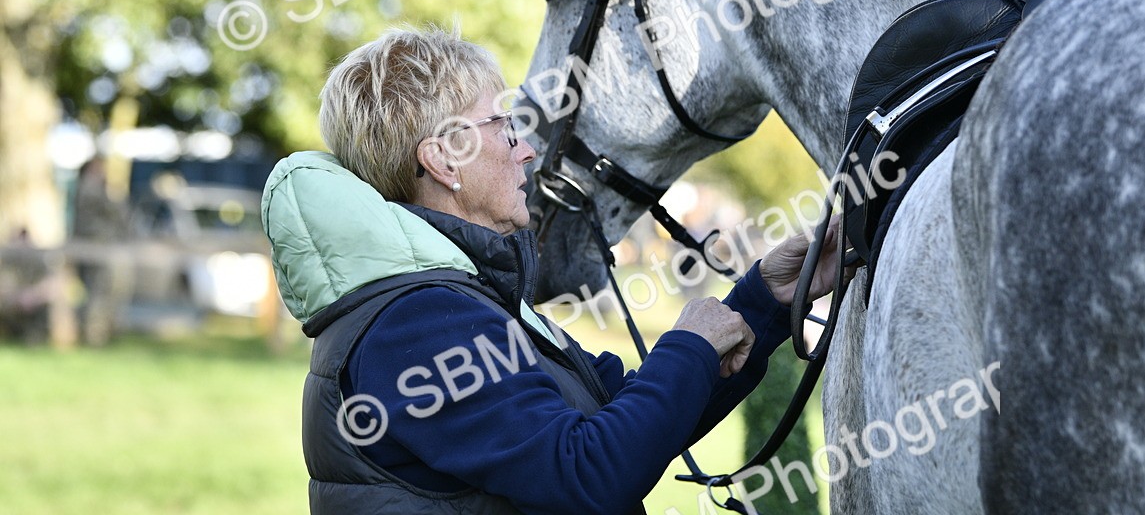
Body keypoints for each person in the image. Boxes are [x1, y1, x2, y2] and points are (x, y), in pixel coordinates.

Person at [262, 25, 844, 515]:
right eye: (503, 126)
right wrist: (690, 343)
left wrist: (764, 297)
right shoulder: (415, 324)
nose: (528, 150)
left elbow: (626, 417)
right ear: (444, 159)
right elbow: (589, 472)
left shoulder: (452, 301)